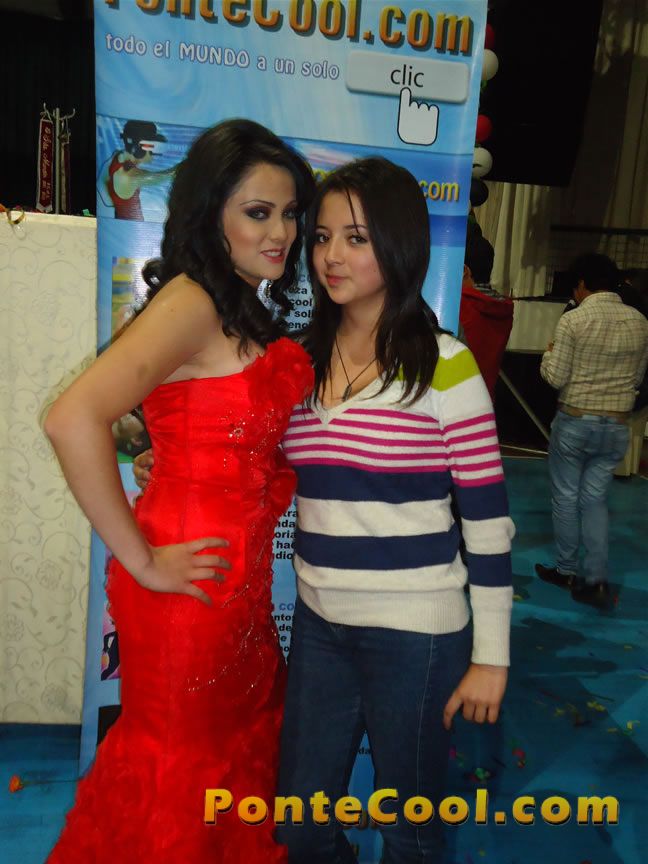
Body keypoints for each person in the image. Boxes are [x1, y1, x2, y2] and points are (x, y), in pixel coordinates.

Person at [135, 158, 515, 864]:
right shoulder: (298, 362)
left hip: (418, 635)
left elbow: (489, 525)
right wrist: (172, 463)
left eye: (356, 238)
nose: (330, 255)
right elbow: (254, 455)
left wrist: (492, 656)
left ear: (399, 245)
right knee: (302, 828)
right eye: (322, 237)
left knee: (411, 831)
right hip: (320, 628)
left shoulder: (446, 368)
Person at [44, 119, 315, 863]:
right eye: (258, 212)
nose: (281, 233)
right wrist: (142, 559)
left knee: (229, 753)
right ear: (209, 212)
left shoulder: (239, 304)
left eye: (290, 213)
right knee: (181, 767)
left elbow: (202, 427)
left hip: (237, 589)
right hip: (186, 591)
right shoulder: (192, 301)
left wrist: (163, 460)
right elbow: (72, 419)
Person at [535, 253, 648, 608]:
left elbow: (556, 376)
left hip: (576, 420)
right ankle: (597, 580)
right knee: (595, 499)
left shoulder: (574, 319)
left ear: (582, 284)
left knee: (566, 497)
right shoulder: (640, 322)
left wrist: (547, 355)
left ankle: (566, 570)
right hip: (616, 425)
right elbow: (638, 377)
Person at [459, 220, 513, 400]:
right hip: (485, 400)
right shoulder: (504, 309)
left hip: (454, 400)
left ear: (464, 271)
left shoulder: (460, 305)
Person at [101, 119, 176, 220]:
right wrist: (187, 163)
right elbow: (163, 176)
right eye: (152, 146)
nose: (154, 153)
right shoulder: (128, 177)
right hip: (130, 226)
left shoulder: (119, 156)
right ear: (138, 149)